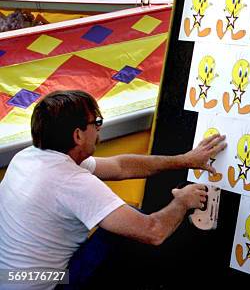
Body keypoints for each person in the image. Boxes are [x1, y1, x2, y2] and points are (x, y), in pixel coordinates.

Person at [0, 90, 226, 289]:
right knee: (123, 230)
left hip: (11, 279)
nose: (100, 128)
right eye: (96, 122)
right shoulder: (72, 182)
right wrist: (182, 202)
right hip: (49, 283)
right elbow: (154, 231)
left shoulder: (29, 157)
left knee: (119, 221)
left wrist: (185, 160)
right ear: (78, 135)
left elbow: (120, 167)